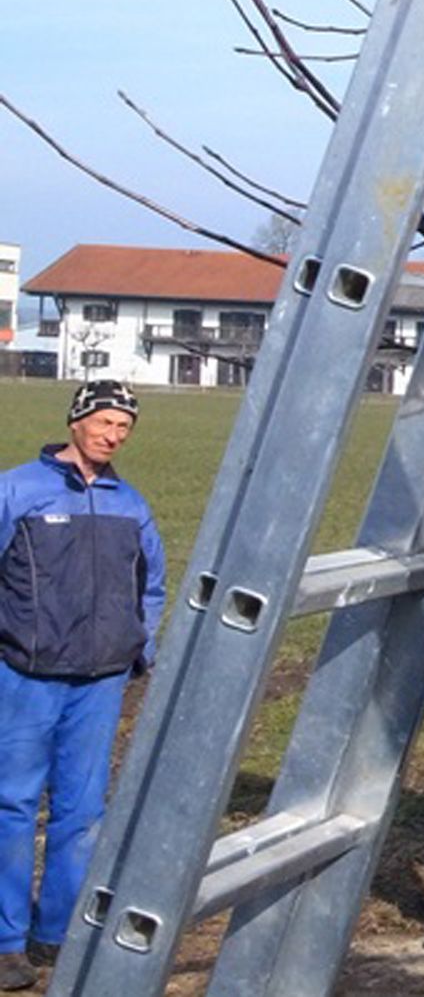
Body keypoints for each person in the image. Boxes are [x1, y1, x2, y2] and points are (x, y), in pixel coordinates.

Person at [0, 381, 165, 992]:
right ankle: (6, 941)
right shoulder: (17, 491)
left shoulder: (131, 505)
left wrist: (137, 650)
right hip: (24, 677)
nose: (113, 435)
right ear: (76, 421)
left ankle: (57, 934)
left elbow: (151, 587)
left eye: (123, 426)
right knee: (13, 805)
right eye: (103, 422)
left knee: (82, 812)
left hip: (98, 684)